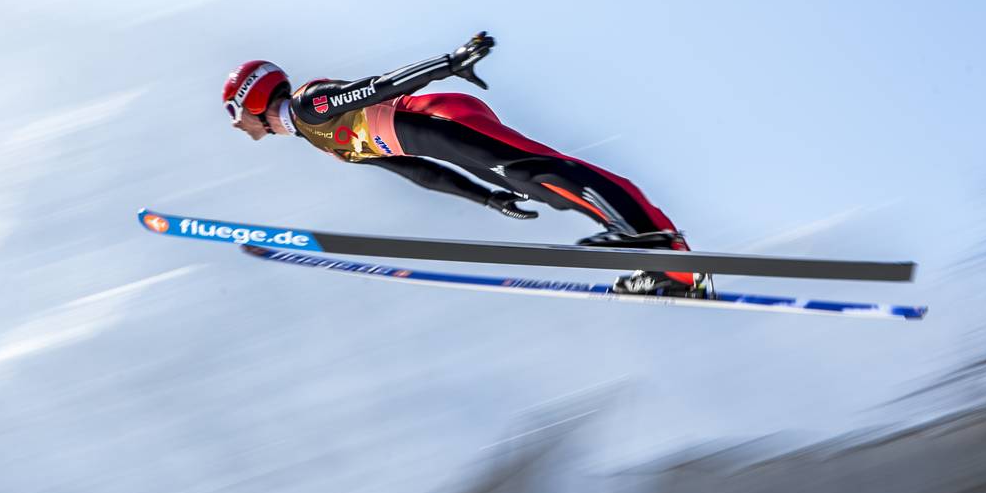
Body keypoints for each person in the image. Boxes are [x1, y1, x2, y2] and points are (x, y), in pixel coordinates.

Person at [221, 32, 710, 298]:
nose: (236, 125)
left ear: (251, 100)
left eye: (233, 112)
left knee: (539, 170)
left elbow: (378, 87)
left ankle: (657, 242)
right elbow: (416, 170)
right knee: (540, 187)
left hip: (441, 118)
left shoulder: (309, 107)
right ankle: (673, 268)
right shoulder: (319, 139)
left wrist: (447, 64)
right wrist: (486, 197)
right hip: (436, 140)